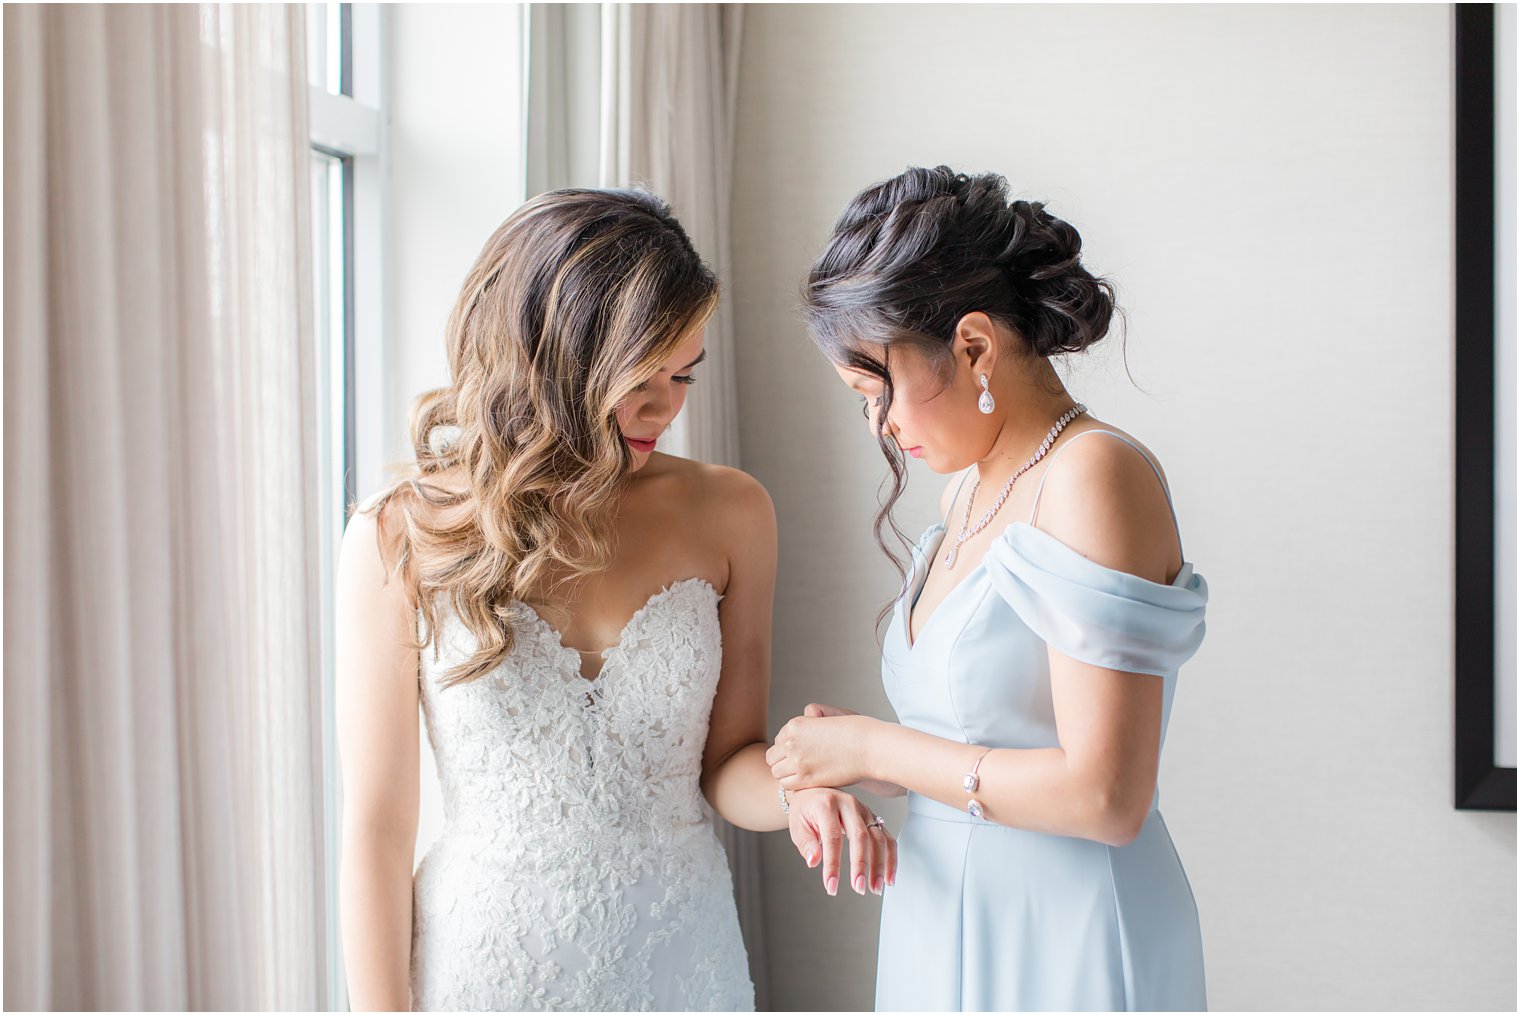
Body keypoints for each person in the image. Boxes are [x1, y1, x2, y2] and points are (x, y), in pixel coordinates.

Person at [336, 188, 894, 1012]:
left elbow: (725, 759)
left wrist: (795, 793)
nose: (669, 406)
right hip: (485, 967)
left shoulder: (733, 511)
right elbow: (377, 829)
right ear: (559, 358)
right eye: (644, 377)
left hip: (680, 960)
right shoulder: (398, 536)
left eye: (684, 375)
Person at [766, 166, 1209, 1011]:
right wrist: (846, 761)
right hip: (940, 914)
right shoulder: (967, 489)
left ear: (973, 346)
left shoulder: (1093, 475)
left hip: (1066, 931)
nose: (881, 427)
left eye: (876, 391)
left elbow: (1108, 796)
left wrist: (874, 748)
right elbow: (988, 733)